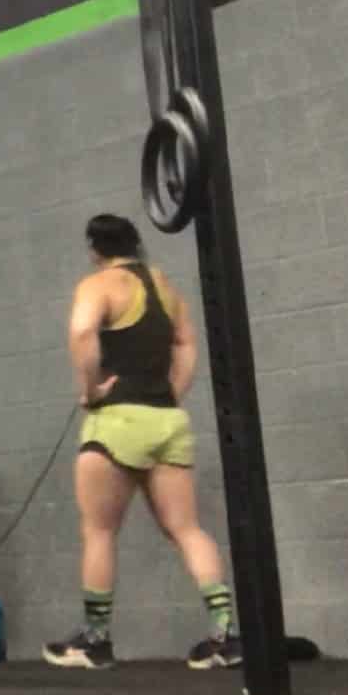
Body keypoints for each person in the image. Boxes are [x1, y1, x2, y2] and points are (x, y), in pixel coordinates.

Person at [44, 213, 242, 671]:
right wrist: (172, 391)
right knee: (187, 529)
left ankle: (95, 641)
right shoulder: (163, 286)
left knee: (99, 531)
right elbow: (188, 345)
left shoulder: (98, 285)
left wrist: (91, 390)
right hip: (167, 420)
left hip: (116, 422)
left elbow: (80, 331)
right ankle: (225, 634)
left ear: (95, 247)